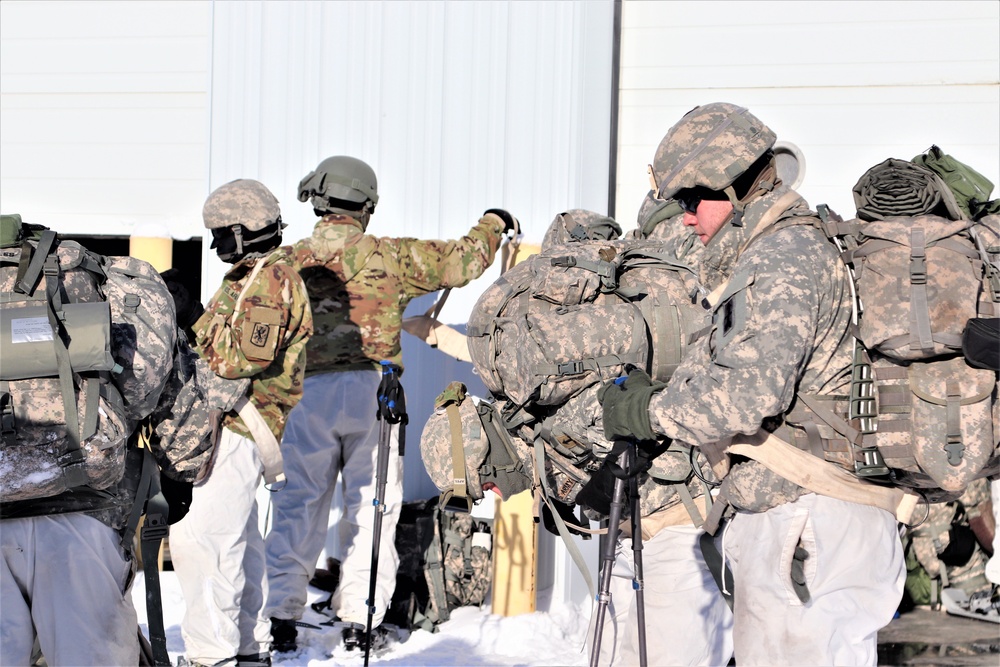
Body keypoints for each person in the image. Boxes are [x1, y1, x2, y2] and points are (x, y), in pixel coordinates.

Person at [599, 102, 905, 666]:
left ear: (735, 185)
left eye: (692, 200)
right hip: (823, 518)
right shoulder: (797, 245)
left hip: (802, 519)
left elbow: (747, 396)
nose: (685, 218)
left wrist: (647, 411)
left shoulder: (782, 256)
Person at [264, 155, 516, 653]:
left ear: (318, 200)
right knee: (372, 506)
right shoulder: (392, 256)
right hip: (373, 394)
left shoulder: (288, 261)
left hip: (306, 393)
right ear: (367, 204)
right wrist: (494, 222)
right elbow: (462, 261)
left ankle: (280, 619)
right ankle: (360, 621)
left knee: (298, 507)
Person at [170, 179, 313, 667]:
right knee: (237, 543)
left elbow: (240, 361)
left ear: (243, 229)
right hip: (237, 426)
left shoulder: (271, 281)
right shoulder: (251, 276)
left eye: (220, 235)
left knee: (202, 543)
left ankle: (212, 657)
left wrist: (190, 315)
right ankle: (246, 650)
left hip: (239, 426)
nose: (214, 246)